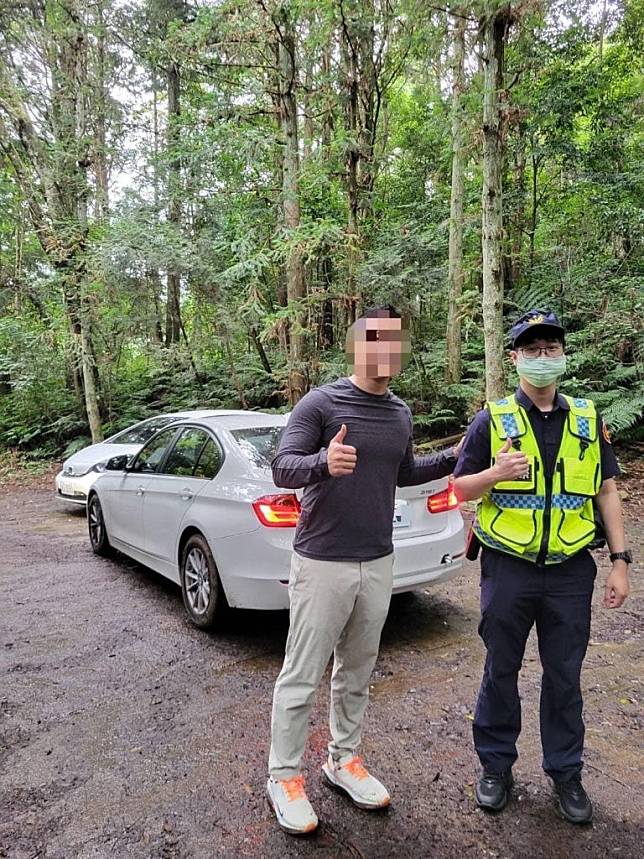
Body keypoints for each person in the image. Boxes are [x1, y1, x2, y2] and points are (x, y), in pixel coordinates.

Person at [266, 305, 462, 835]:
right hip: (321, 560)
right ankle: (283, 777)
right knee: (302, 674)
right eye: (374, 339)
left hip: (378, 560)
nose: (385, 349)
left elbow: (402, 473)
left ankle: (342, 760)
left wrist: (454, 455)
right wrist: (321, 465)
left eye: (394, 340)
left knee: (357, 671)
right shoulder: (322, 402)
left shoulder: (399, 413)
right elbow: (282, 467)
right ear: (356, 345)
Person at [453, 309, 631, 824]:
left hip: (571, 572)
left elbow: (606, 490)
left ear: (563, 355)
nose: (543, 357)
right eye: (533, 349)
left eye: (551, 348)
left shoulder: (586, 419)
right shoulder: (493, 420)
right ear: (515, 358)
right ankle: (495, 768)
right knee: (500, 670)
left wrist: (620, 561)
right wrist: (496, 472)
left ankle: (566, 773)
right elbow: (460, 489)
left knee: (565, 677)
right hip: (508, 569)